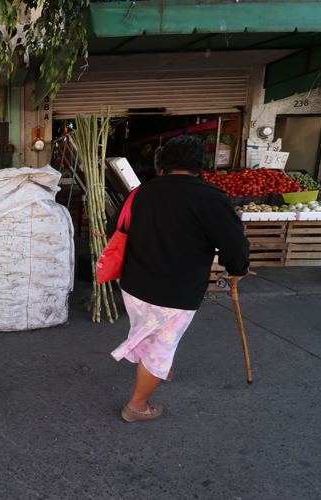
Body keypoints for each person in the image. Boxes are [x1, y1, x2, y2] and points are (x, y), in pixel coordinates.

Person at [105, 135, 250, 422]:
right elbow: (235, 245)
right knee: (159, 344)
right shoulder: (210, 198)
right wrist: (237, 269)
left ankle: (161, 367)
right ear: (200, 168)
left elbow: (115, 229)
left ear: (160, 167)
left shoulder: (139, 194)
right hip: (177, 291)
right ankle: (136, 406)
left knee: (154, 335)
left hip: (135, 286)